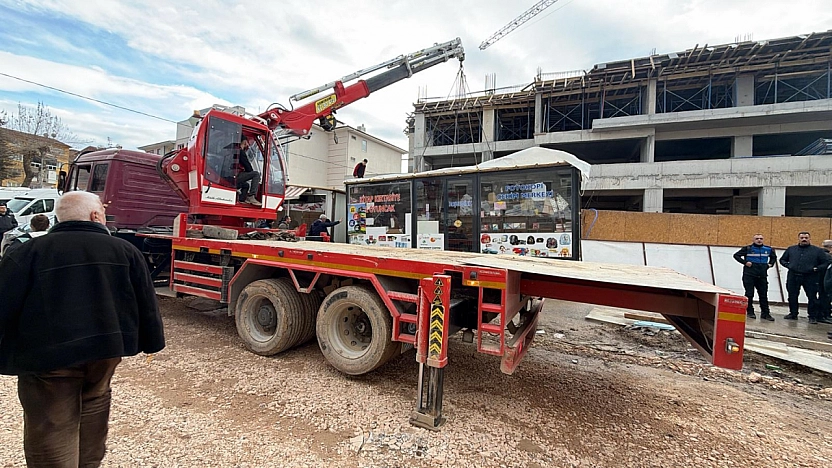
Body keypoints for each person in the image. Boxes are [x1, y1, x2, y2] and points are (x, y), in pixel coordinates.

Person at [0, 191, 165, 466]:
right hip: (105, 353)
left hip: (48, 358)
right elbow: (146, 302)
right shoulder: (125, 251)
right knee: (95, 406)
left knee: (51, 423)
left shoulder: (29, 251)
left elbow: (5, 301)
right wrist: (152, 342)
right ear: (95, 215)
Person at [779, 231, 831, 324]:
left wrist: (816, 269)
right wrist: (788, 265)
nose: (804, 239)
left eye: (806, 238)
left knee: (812, 297)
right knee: (792, 296)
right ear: (798, 239)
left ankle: (812, 316)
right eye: (802, 238)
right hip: (793, 276)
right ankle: (793, 314)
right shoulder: (791, 249)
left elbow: (825, 263)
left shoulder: (817, 251)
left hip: (810, 277)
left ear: (809, 239)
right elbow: (782, 260)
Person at [733, 234, 777, 321]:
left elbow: (774, 257)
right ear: (753, 240)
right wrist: (745, 262)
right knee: (749, 294)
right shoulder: (748, 248)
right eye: (757, 239)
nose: (759, 240)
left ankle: (765, 313)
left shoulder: (768, 249)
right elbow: (736, 255)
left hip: (762, 275)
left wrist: (770, 264)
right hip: (749, 275)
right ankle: (750, 312)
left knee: (763, 295)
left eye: (761, 238)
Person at [236, 138, 262, 206]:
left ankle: (242, 199)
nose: (248, 145)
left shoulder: (234, 150)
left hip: (229, 176)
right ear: (245, 142)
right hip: (235, 176)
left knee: (246, 185)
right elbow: (248, 168)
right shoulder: (241, 152)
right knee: (256, 174)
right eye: (247, 142)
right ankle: (251, 196)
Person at [819, 239, 832, 321]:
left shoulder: (819, 254)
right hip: (826, 280)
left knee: (823, 297)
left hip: (820, 280)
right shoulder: (828, 256)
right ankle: (825, 315)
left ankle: (823, 315)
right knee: (826, 298)